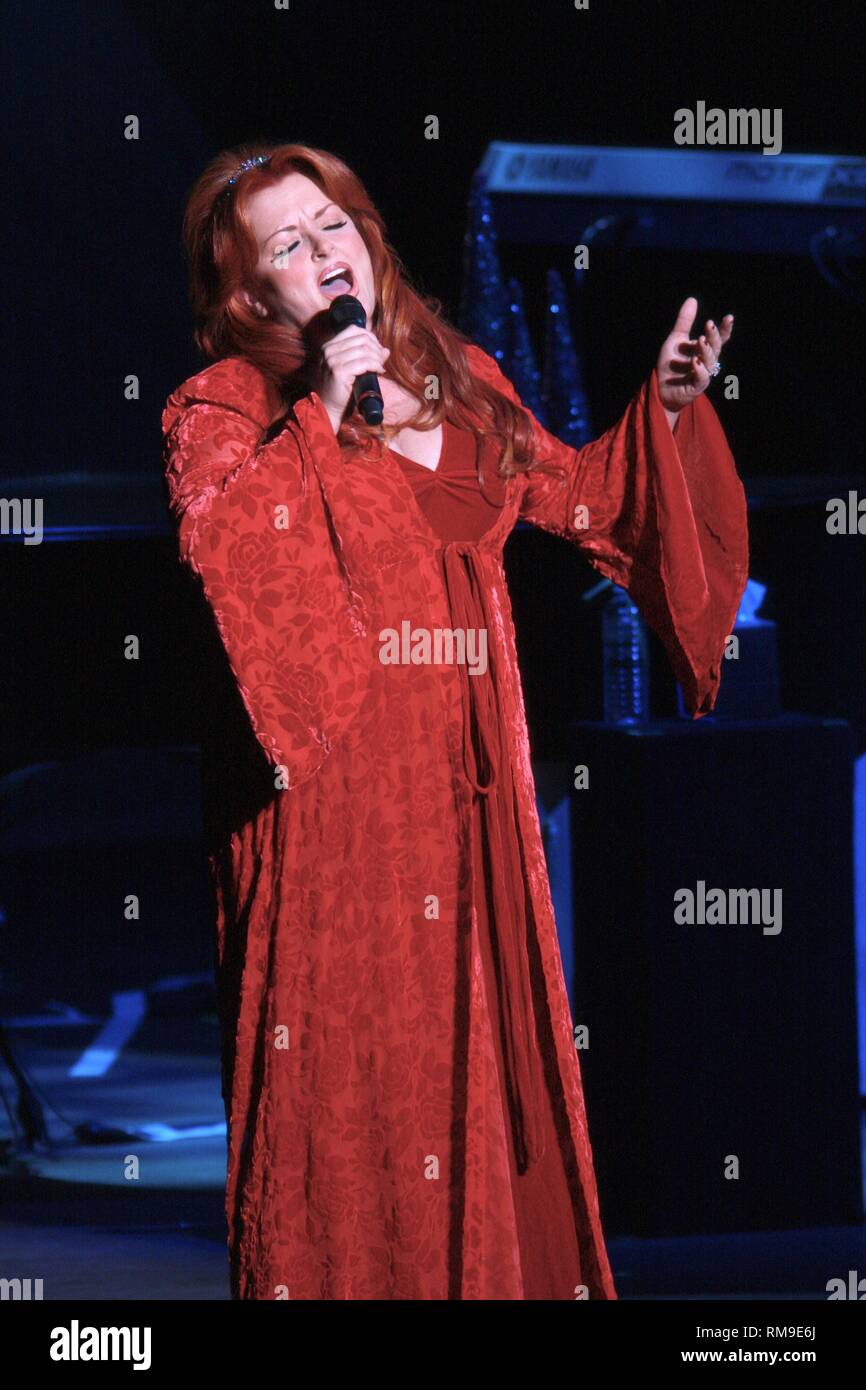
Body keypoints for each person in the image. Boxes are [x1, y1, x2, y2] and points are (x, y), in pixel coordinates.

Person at [161, 142, 748, 1300]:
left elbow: (581, 499)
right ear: (248, 294)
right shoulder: (220, 405)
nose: (323, 254)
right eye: (287, 246)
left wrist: (666, 412)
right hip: (338, 818)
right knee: (362, 1086)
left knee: (483, 1072)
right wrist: (325, 415)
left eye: (332, 227)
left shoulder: (457, 370)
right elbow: (229, 561)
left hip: (473, 806)